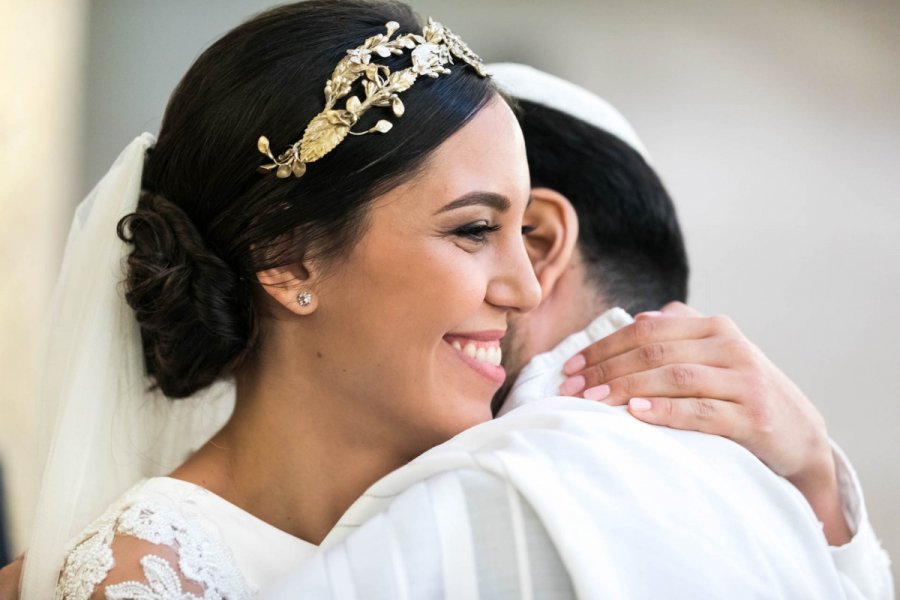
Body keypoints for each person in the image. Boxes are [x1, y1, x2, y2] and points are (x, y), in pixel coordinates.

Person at [258, 65, 893, 598]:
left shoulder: (501, 489)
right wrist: (817, 491)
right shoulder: (768, 494)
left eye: (475, 226)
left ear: (536, 242)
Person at [22, 2, 541, 598]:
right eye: (474, 229)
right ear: (289, 258)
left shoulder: (502, 514)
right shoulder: (152, 576)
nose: (526, 290)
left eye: (523, 233)